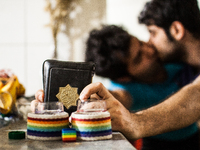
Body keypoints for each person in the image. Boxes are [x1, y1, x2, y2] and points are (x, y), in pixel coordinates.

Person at [80, 0, 200, 148]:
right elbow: (117, 96)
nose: (150, 49)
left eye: (142, 43)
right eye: (138, 58)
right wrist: (89, 100)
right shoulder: (127, 89)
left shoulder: (170, 59)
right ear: (124, 78)